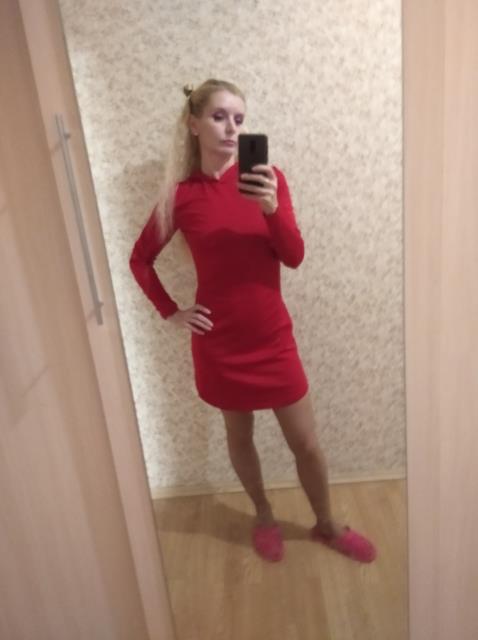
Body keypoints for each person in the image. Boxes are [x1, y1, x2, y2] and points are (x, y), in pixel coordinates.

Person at [129, 78, 376, 563]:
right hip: (220, 344)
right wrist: (171, 311)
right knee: (239, 437)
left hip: (272, 337)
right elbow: (140, 260)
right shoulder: (180, 196)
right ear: (194, 124)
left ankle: (326, 523)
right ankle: (263, 515)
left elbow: (294, 256)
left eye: (239, 120)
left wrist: (271, 209)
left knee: (306, 443)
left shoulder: (269, 180)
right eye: (219, 116)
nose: (231, 128)